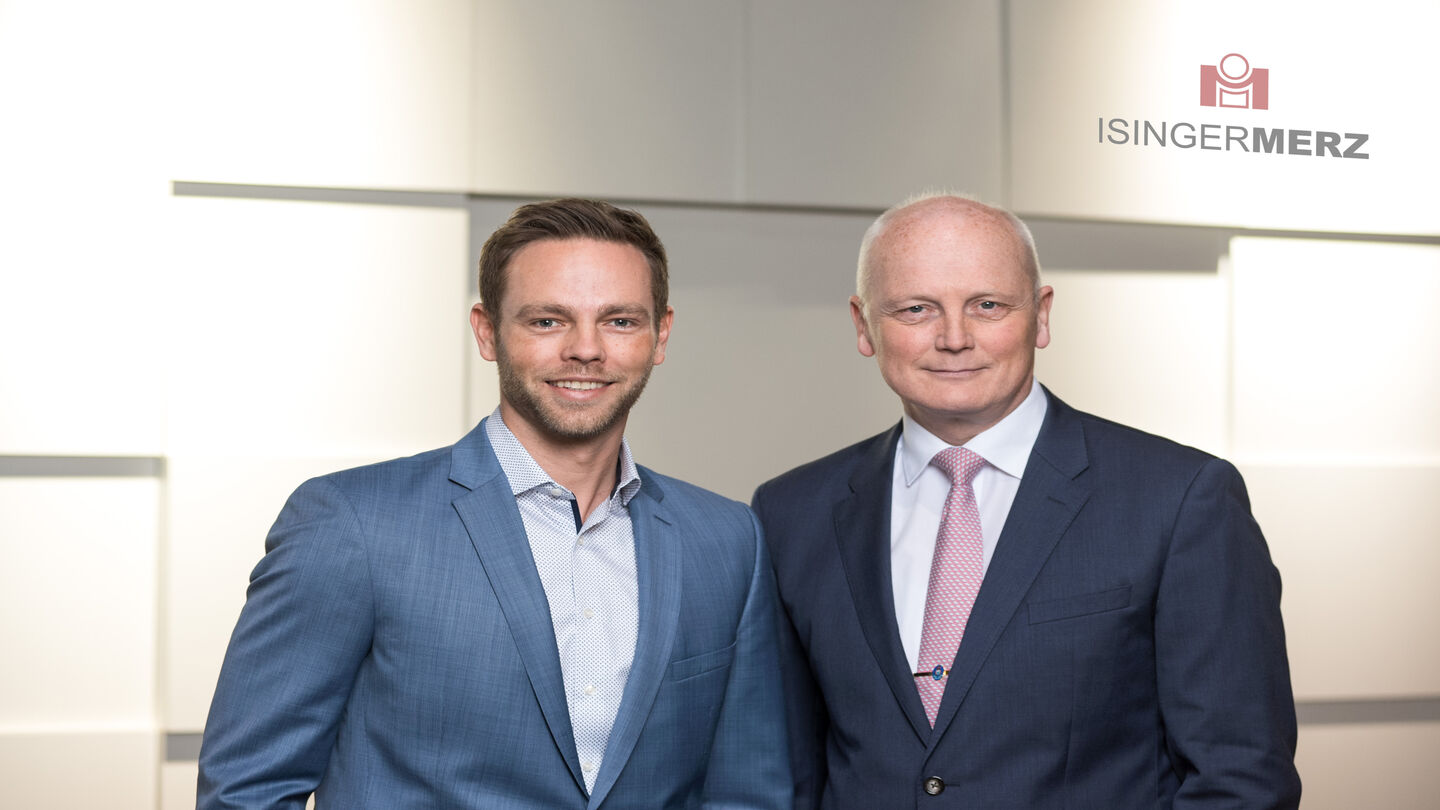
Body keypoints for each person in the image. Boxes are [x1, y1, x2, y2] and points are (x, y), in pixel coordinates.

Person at [198, 198, 790, 809]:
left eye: (619, 321)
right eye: (548, 321)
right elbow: (248, 789)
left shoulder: (727, 540)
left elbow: (748, 793)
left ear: (660, 334)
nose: (586, 349)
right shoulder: (354, 523)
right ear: (487, 332)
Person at [752, 193, 1301, 808]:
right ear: (863, 326)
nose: (954, 338)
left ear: (1041, 316)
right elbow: (785, 775)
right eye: (915, 309)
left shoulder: (1180, 500)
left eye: (987, 305)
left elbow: (1241, 779)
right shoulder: (791, 514)